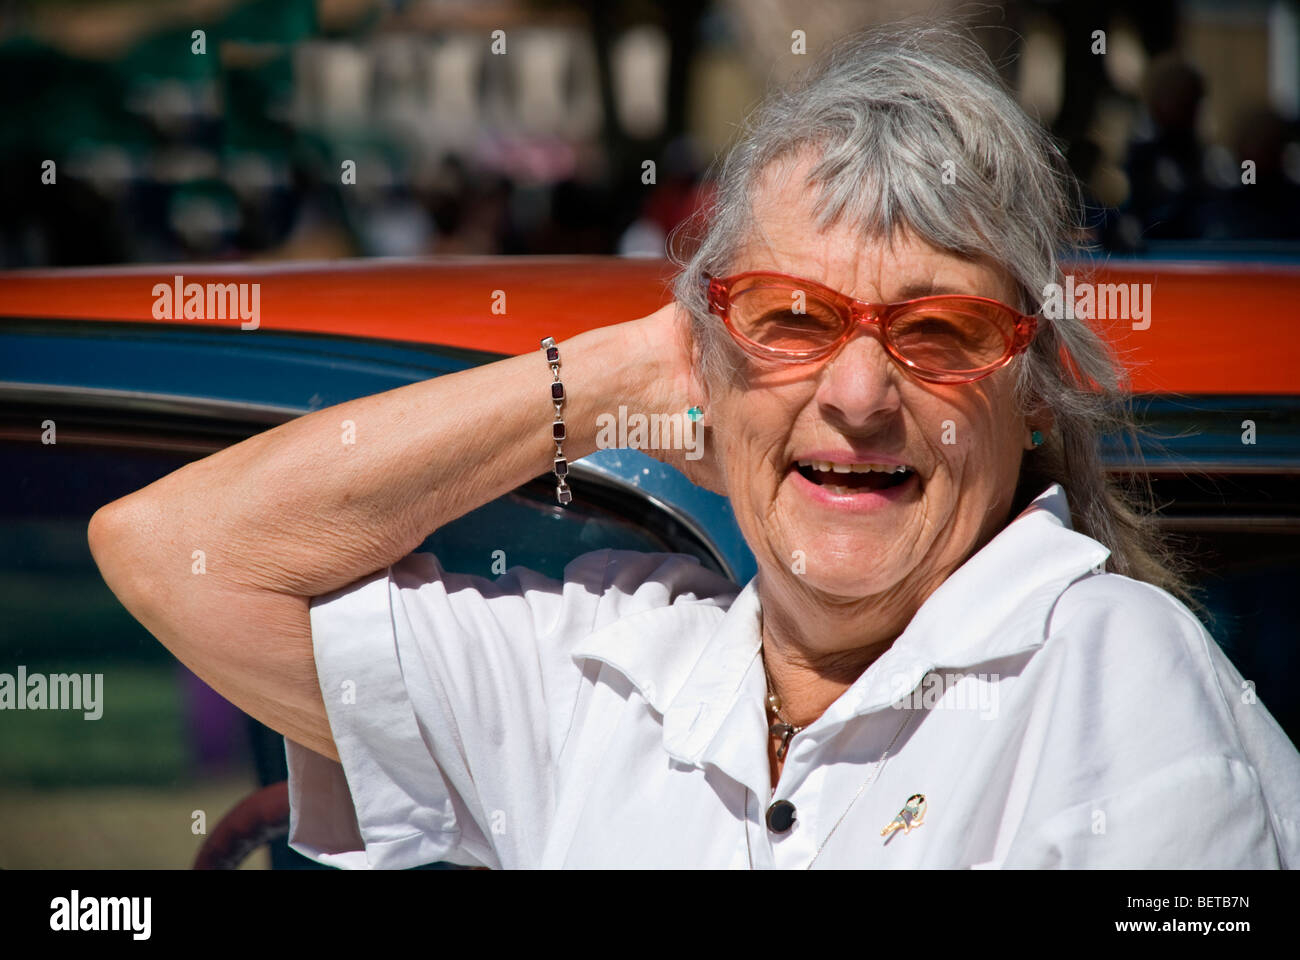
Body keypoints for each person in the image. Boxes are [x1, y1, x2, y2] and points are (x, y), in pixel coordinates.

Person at [88, 22, 1300, 868]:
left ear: (1030, 392)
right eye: (792, 319)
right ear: (702, 357)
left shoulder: (1114, 676)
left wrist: (742, 344)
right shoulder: (609, 671)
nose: (861, 394)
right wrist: (627, 368)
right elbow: (174, 548)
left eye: (939, 332)